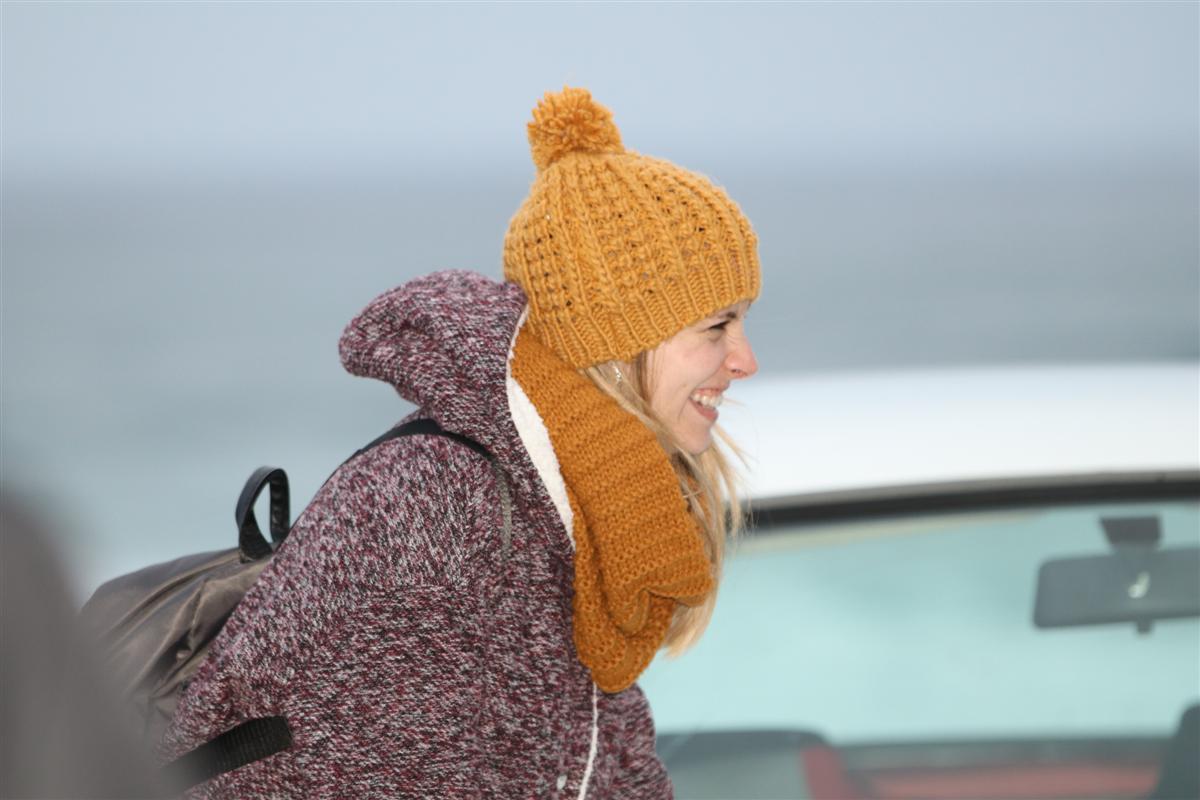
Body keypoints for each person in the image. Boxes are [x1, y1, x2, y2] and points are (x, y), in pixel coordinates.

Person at [160, 86, 761, 798]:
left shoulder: (583, 503)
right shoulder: (435, 504)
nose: (744, 360)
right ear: (614, 338)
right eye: (717, 327)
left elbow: (606, 759)